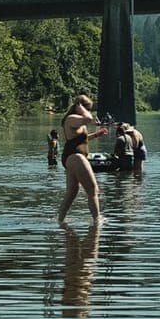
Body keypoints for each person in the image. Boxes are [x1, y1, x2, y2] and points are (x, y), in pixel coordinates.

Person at [58, 94, 109, 224]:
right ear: (80, 107)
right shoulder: (71, 118)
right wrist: (81, 108)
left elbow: (81, 139)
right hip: (76, 157)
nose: (90, 112)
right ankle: (97, 221)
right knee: (93, 190)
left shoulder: (76, 121)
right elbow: (89, 118)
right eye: (88, 108)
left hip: (73, 158)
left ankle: (60, 220)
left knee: (72, 192)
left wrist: (96, 135)